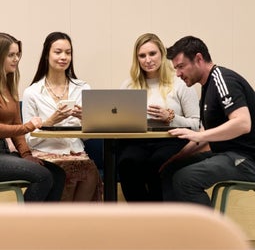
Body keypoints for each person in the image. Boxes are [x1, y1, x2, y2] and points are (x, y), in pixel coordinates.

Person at [161, 35, 255, 206]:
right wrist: (178, 156)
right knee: (170, 169)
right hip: (227, 155)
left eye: (181, 66)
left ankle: (207, 232)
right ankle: (174, 227)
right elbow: (205, 132)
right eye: (176, 68)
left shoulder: (222, 79)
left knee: (185, 179)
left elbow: (243, 123)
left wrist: (198, 136)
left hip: (247, 159)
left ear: (198, 59)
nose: (178, 74)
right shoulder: (207, 86)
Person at [117, 33, 200, 201]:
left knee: (157, 163)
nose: (148, 60)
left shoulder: (181, 82)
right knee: (126, 162)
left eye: (152, 54)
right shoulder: (128, 85)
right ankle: (142, 216)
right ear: (137, 59)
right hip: (138, 140)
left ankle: (159, 216)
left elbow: (196, 124)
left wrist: (171, 118)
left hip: (170, 139)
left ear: (162, 54)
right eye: (142, 55)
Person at [22, 32, 103, 202]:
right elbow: (28, 140)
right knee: (64, 171)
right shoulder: (32, 92)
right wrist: (49, 122)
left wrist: (85, 119)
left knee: (89, 171)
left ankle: (76, 225)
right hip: (45, 152)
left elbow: (90, 137)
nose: (64, 57)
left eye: (68, 52)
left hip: (76, 152)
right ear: (46, 55)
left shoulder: (83, 88)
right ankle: (60, 224)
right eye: (58, 52)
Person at [0, 32, 66, 202]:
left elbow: (15, 122)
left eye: (17, 55)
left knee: (57, 173)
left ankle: (45, 226)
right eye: (11, 55)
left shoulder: (9, 86)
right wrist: (28, 126)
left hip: (4, 153)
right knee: (44, 176)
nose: (16, 59)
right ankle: (23, 226)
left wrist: (26, 153)